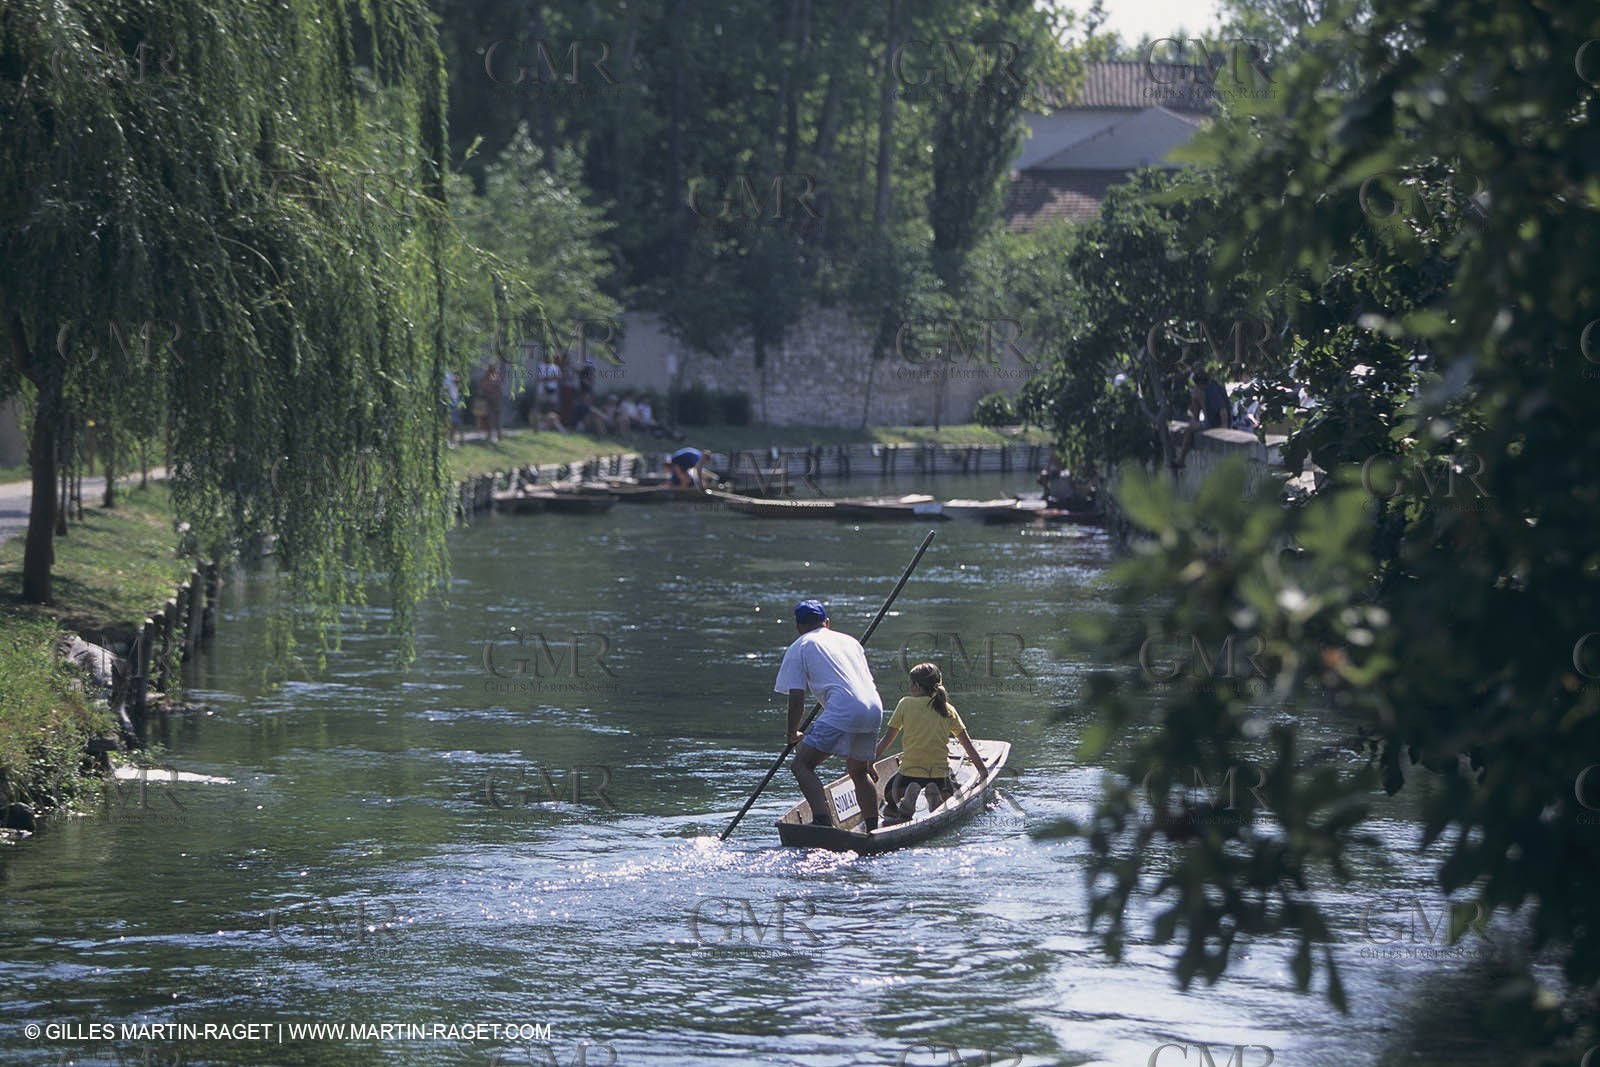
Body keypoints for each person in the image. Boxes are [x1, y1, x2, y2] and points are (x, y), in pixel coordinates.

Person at [775, 600, 885, 832]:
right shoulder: (850, 641)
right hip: (874, 707)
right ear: (827, 623)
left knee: (802, 765)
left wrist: (792, 732)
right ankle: (874, 829)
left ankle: (822, 821)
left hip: (844, 709)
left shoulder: (800, 645)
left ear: (798, 627)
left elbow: (797, 697)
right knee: (859, 771)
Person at [874, 662, 988, 823]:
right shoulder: (947, 709)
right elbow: (966, 744)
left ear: (916, 685)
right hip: (939, 775)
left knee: (889, 798)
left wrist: (870, 761)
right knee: (952, 794)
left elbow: (888, 738)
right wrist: (982, 771)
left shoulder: (905, 704)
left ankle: (904, 803)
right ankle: (935, 795)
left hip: (908, 773)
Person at [1174, 367, 1230, 468]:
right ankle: (1195, 421)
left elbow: (1222, 409)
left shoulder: (1212, 391)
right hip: (1212, 420)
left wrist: (1224, 425)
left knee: (1189, 430)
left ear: (1200, 383)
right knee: (1195, 395)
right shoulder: (1213, 386)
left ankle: (1181, 459)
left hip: (1215, 423)